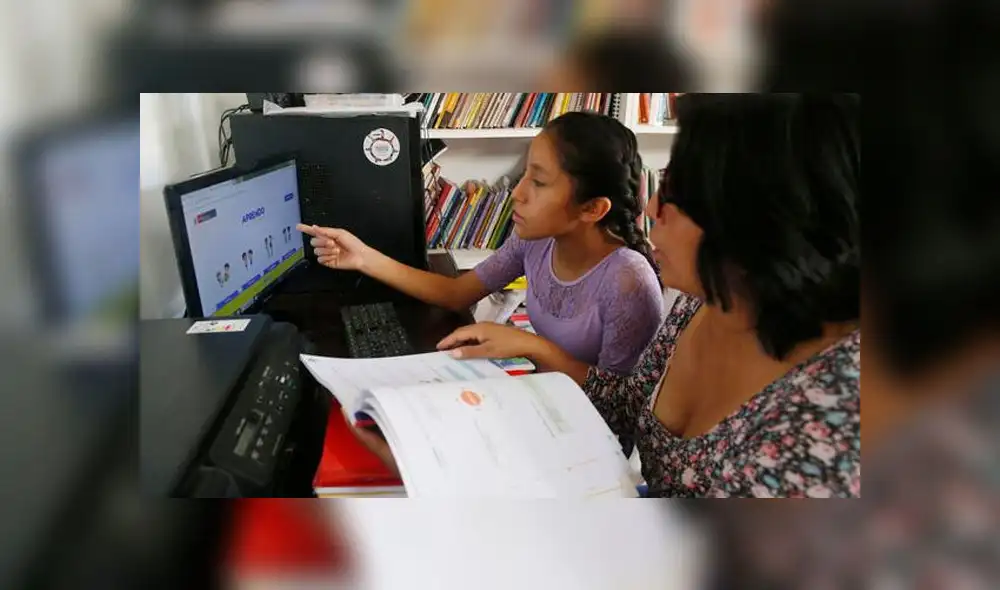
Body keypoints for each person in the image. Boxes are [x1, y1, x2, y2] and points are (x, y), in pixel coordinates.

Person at [350, 94, 862, 497]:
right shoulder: (697, 303)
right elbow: (626, 402)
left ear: (761, 225)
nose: (654, 206)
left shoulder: (827, 432)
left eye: (681, 194)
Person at [299, 111, 664, 375]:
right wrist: (363, 258)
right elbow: (456, 294)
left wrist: (531, 346)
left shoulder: (628, 281)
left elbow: (621, 406)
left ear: (593, 208)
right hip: (544, 400)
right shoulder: (534, 243)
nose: (516, 194)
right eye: (524, 175)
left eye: (538, 183)